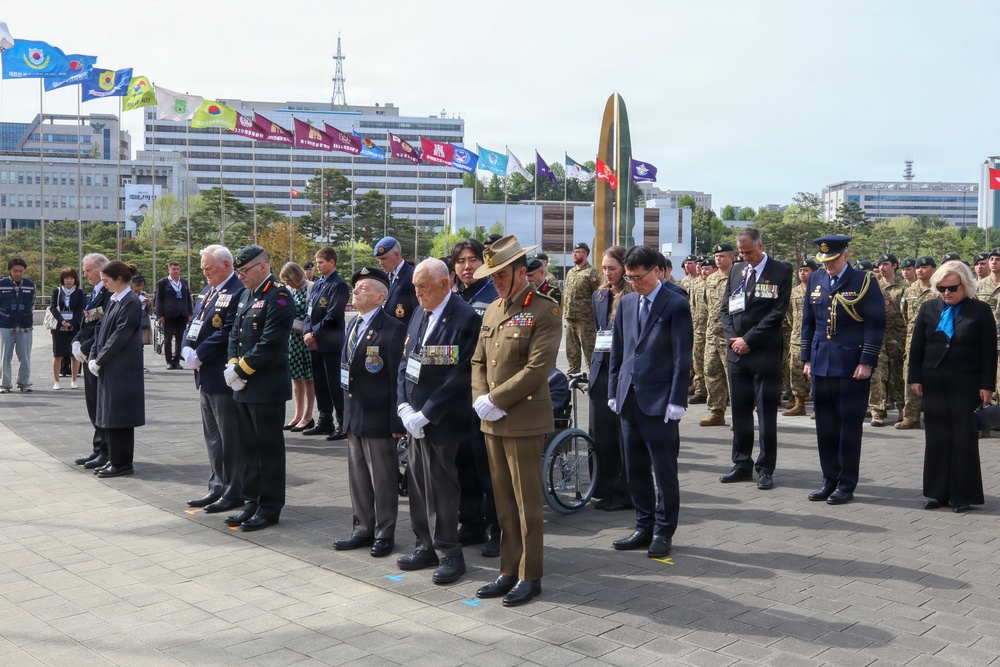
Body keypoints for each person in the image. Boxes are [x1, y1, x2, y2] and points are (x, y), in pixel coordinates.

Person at [471, 236, 561, 607]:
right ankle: (508, 570)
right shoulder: (492, 309)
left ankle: (530, 574)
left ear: (522, 272)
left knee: (527, 504)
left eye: (503, 275)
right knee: (503, 501)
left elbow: (539, 368)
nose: (497, 282)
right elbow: (479, 361)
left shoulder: (544, 310)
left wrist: (495, 398)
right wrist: (480, 398)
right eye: (493, 276)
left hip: (521, 417)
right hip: (492, 419)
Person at [395, 259, 480, 584]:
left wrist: (427, 412)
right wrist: (403, 406)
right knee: (417, 483)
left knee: (441, 487)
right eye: (415, 287)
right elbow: (407, 360)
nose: (417, 293)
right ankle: (425, 545)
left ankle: (449, 552)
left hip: (442, 420)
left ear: (446, 284)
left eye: (424, 287)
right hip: (413, 417)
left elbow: (459, 375)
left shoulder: (464, 317)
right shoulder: (419, 312)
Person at [609, 245, 693, 558]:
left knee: (664, 470)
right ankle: (642, 526)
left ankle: (663, 531)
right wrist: (613, 391)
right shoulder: (628, 302)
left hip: (660, 401)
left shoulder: (675, 303)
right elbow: (619, 351)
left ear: (657, 271)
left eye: (638, 277)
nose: (634, 283)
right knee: (636, 470)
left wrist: (677, 399)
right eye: (629, 278)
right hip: (629, 399)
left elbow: (682, 355)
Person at [802, 236, 886, 505]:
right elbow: (808, 322)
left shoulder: (864, 280)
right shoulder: (816, 279)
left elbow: (874, 324)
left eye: (833, 260)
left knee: (849, 427)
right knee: (825, 426)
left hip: (851, 365)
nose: (828, 266)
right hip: (821, 362)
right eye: (823, 261)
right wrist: (806, 358)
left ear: (845, 255)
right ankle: (829, 479)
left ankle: (846, 483)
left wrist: (867, 360)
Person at [908, 261, 997, 512]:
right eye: (941, 288)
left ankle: (962, 494)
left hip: (967, 381)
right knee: (936, 436)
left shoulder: (980, 310)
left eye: (952, 288)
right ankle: (937, 493)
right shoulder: (928, 308)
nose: (946, 293)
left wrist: (987, 384)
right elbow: (917, 346)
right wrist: (915, 378)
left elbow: (989, 352)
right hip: (933, 379)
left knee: (963, 437)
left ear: (965, 286)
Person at [333, 267, 407, 558]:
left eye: (363, 288)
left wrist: (395, 421)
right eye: (356, 287)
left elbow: (395, 379)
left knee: (383, 479)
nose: (356, 291)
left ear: (380, 297)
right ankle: (362, 528)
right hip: (354, 415)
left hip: (379, 416)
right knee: (359, 478)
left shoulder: (393, 328)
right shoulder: (353, 325)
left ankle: (384, 532)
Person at [223, 246, 296, 531]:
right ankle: (251, 501)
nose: (240, 276)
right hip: (243, 386)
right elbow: (235, 335)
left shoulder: (278, 296)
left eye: (243, 271)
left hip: (266, 387)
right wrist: (232, 367)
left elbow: (270, 342)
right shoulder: (244, 296)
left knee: (268, 450)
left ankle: (269, 506)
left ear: (262, 268)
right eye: (238, 272)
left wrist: (240, 370)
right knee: (248, 449)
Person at [719, 228, 792, 490]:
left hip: (763, 354)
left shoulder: (781, 271)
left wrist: (748, 339)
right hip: (736, 354)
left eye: (749, 252)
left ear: (761, 245)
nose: (745, 257)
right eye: (741, 253)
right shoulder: (737, 271)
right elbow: (726, 309)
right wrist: (733, 339)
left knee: (766, 413)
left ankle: (765, 467)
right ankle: (741, 463)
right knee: (739, 412)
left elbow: (776, 313)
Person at [180, 245, 246, 514]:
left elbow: (229, 330)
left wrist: (201, 353)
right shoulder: (208, 291)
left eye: (209, 268)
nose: (204, 272)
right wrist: (185, 348)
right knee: (213, 437)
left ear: (227, 266)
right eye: (203, 268)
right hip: (203, 374)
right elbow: (193, 323)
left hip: (222, 375)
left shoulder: (237, 291)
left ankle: (233, 491)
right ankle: (216, 486)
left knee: (229, 438)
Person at [451, 238, 501, 556]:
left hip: (485, 396)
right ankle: (471, 524)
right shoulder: (450, 297)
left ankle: (498, 528)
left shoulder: (494, 296)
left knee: (489, 470)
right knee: (463, 466)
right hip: (455, 396)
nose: (467, 267)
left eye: (473, 260)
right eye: (460, 261)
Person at [88, 261, 145, 478]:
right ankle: (114, 458)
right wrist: (94, 355)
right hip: (110, 367)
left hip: (121, 369)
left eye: (106, 281)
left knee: (119, 416)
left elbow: (120, 336)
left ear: (119, 279)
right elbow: (100, 331)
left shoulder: (130, 302)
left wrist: (100, 360)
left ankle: (122, 462)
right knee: (109, 414)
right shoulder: (114, 300)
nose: (104, 285)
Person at [589, 245, 632, 511]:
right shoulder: (599, 296)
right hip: (600, 369)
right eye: (604, 268)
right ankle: (602, 487)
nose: (607, 273)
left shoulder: (632, 297)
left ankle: (625, 491)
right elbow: (597, 331)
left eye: (612, 268)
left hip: (623, 371)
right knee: (601, 434)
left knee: (622, 435)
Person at [302, 247, 349, 440]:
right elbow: (308, 311)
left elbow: (333, 314)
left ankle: (342, 423)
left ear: (332, 262)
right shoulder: (319, 284)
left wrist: (315, 334)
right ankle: (325, 420)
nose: (318, 266)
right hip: (314, 343)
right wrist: (307, 332)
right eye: (317, 262)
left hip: (329, 343)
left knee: (334, 385)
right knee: (320, 384)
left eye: (321, 262)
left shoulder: (339, 285)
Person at [71, 254, 113, 468]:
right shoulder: (96, 291)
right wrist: (77, 341)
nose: (84, 274)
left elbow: (104, 327)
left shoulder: (108, 293)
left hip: (98, 355)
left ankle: (106, 450)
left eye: (88, 270)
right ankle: (98, 448)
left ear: (101, 268)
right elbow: (87, 321)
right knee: (92, 403)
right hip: (88, 353)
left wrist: (86, 348)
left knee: (100, 405)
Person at [896, 256, 939, 429]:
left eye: (925, 267)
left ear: (934, 269)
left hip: (934, 339)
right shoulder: (910, 291)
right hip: (912, 340)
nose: (920, 270)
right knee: (910, 377)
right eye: (918, 267)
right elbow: (904, 314)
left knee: (933, 377)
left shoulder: (938, 290)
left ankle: (934, 416)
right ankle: (910, 417)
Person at [868, 254, 907, 427]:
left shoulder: (905, 288)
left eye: (885, 264)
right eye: (879, 265)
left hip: (897, 337)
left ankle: (902, 409)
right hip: (877, 336)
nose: (882, 268)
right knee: (877, 374)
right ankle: (877, 412)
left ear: (894, 266)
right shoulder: (872, 287)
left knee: (898, 375)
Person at [700, 243, 735, 426]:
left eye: (722, 256)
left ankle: (738, 415)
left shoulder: (738, 277)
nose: (718, 259)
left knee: (732, 376)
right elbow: (706, 306)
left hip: (730, 336)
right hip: (712, 335)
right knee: (711, 372)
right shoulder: (711, 279)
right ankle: (716, 412)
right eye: (716, 256)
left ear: (731, 257)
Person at [279, 262, 315, 431]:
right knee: (296, 378)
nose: (288, 283)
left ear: (296, 275)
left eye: (289, 280)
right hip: (292, 338)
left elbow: (313, 314)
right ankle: (297, 415)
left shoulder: (311, 288)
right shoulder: (290, 290)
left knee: (308, 378)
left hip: (306, 337)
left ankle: (308, 416)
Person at [783, 259, 818, 416]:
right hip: (797, 338)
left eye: (806, 270)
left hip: (816, 338)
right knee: (796, 372)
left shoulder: (820, 290)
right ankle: (799, 403)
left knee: (815, 375)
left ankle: (819, 406)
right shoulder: (794, 292)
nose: (802, 273)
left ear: (814, 272)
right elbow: (789, 315)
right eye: (801, 270)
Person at [563, 241, 600, 374]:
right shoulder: (571, 272)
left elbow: (597, 294)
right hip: (570, 318)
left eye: (577, 252)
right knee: (571, 351)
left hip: (585, 320)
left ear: (585, 253)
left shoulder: (591, 272)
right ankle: (573, 375)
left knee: (589, 351)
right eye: (574, 252)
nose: (574, 254)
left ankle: (593, 378)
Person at [0, 257, 36, 392]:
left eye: (21, 271)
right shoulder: (1, 284)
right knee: (5, 356)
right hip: (5, 326)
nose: (18, 273)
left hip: (25, 326)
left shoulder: (30, 285)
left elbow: (32, 304)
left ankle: (24, 382)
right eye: (15, 271)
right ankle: (4, 384)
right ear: (9, 270)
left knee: (25, 357)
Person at [49, 268, 84, 390]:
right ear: (62, 279)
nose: (69, 280)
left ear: (75, 280)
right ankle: (56, 381)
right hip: (59, 327)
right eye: (66, 278)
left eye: (71, 278)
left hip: (74, 327)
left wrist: (72, 322)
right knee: (58, 354)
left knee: (74, 354)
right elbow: (52, 307)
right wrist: (61, 320)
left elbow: (80, 310)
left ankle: (74, 380)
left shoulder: (79, 293)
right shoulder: (57, 291)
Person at [154, 261, 192, 369]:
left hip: (182, 314)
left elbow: (188, 298)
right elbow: (158, 299)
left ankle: (177, 361)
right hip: (168, 315)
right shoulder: (163, 282)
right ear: (169, 270)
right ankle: (169, 361)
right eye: (173, 269)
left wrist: (190, 313)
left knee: (180, 338)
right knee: (168, 338)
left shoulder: (184, 282)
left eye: (177, 269)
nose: (176, 271)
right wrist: (159, 314)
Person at [374, 236, 418, 327]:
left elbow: (417, 312)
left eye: (384, 258)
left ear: (396, 255)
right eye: (379, 259)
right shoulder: (384, 277)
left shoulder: (412, 275)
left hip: (403, 332)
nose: (380, 263)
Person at [689, 258, 716, 404]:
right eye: (702, 268)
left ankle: (720, 395)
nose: (703, 271)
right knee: (698, 362)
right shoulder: (697, 286)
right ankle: (700, 391)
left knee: (713, 367)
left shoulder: (717, 285)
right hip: (698, 329)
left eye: (707, 268)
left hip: (714, 331)